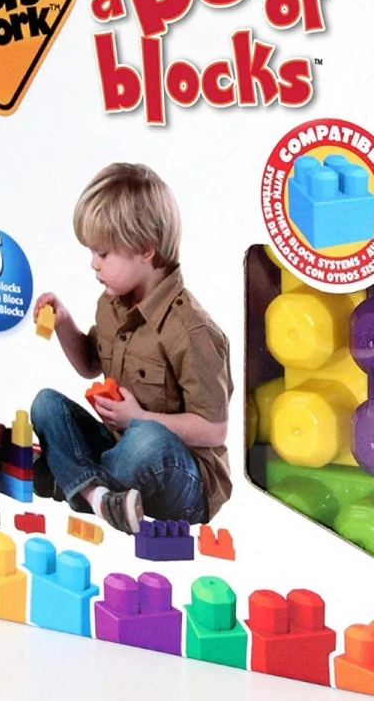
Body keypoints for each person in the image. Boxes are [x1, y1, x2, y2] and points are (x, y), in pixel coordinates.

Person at [30, 163, 233, 534]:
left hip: (183, 478)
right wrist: (63, 324)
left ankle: (72, 478)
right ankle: (99, 498)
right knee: (46, 404)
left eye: (103, 253)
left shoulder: (192, 331)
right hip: (119, 449)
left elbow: (214, 430)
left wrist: (137, 417)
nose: (93, 264)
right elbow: (89, 364)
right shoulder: (112, 304)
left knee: (146, 439)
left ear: (144, 250)